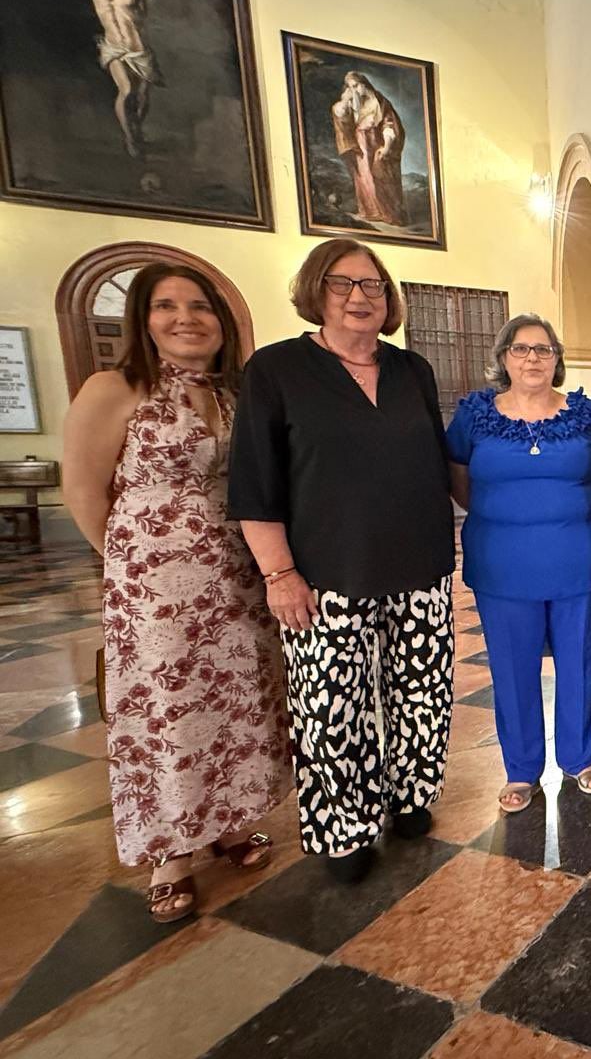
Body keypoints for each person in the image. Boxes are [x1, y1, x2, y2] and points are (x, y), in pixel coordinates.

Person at [62, 263, 288, 923]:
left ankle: (228, 824)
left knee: (239, 702)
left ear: (223, 320)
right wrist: (130, 567)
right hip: (154, 589)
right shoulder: (116, 389)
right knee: (168, 716)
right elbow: (83, 489)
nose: (186, 318)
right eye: (166, 306)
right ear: (144, 319)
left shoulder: (236, 394)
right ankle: (171, 855)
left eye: (200, 306)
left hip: (239, 577)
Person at [228, 239, 456, 883]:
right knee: (333, 705)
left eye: (373, 286)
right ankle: (344, 829)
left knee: (423, 691)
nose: (360, 297)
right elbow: (255, 481)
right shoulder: (277, 370)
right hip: (325, 569)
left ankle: (411, 795)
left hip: (419, 561)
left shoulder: (412, 370)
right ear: (315, 293)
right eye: (342, 284)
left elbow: (434, 460)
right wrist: (279, 573)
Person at [447, 315, 591, 813]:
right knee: (511, 666)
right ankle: (521, 770)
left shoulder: (585, 415)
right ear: (503, 358)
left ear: (558, 358)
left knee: (578, 661)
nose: (533, 358)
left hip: (578, 560)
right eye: (521, 349)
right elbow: (458, 475)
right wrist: (504, 515)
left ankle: (579, 759)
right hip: (502, 564)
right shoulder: (476, 416)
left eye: (543, 349)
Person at [0, 0, 221, 158]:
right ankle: (130, 138)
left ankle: (136, 128)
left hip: (138, 48)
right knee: (126, 90)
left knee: (142, 95)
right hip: (113, 46)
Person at [333, 72, 407, 226]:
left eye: (356, 85)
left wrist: (386, 146)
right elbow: (341, 116)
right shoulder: (355, 103)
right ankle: (370, 211)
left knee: (382, 177)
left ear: (364, 83)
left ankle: (388, 213)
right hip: (361, 144)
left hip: (376, 143)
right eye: (351, 87)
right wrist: (345, 99)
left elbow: (389, 123)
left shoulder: (378, 101)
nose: (354, 90)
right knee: (364, 177)